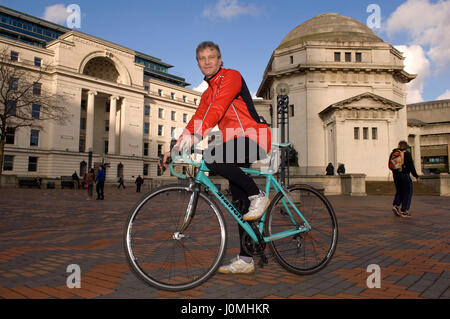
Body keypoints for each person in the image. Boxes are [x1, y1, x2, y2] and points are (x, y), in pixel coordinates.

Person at [160, 41, 271, 274]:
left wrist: (195, 138)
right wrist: (177, 147)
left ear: (220, 60)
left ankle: (258, 194)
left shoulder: (232, 77)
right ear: (198, 63)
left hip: (254, 137)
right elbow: (198, 120)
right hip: (234, 143)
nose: (208, 61)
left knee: (212, 157)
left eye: (212, 57)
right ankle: (246, 259)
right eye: (202, 58)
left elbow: (217, 109)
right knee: (241, 206)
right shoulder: (207, 94)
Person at [390, 141, 420, 218]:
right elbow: (411, 166)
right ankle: (405, 211)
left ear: (399, 146)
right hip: (404, 175)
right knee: (408, 191)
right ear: (406, 147)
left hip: (395, 175)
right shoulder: (407, 154)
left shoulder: (393, 153)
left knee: (399, 191)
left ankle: (395, 205)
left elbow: (391, 165)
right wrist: (416, 176)